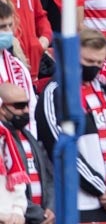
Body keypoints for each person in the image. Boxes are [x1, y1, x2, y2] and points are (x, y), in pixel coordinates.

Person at [36, 28, 106, 222]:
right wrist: (100, 188)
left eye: (99, 63)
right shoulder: (55, 93)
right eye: (89, 62)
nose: (95, 67)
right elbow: (61, 148)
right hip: (75, 202)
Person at [0, 80, 48, 222]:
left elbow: (48, 175)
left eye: (27, 105)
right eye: (20, 106)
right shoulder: (5, 138)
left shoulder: (29, 136)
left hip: (23, 216)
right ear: (2, 108)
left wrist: (51, 208)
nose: (26, 110)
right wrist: (38, 214)